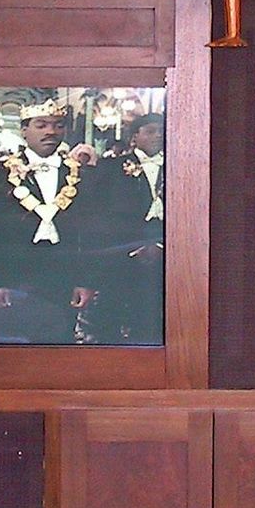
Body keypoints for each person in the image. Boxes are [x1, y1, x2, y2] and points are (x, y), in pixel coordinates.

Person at [0, 97, 104, 343]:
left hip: (63, 275)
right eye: (41, 125)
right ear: (24, 130)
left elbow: (91, 232)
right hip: (12, 275)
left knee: (58, 344)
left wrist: (86, 281)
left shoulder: (82, 174)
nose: (51, 131)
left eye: (58, 125)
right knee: (11, 346)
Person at [93, 114, 166, 344]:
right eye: (151, 131)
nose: (158, 135)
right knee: (111, 317)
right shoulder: (112, 167)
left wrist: (159, 245)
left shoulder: (178, 166)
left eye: (161, 130)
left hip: (164, 255)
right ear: (135, 136)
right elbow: (101, 212)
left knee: (152, 318)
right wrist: (133, 246)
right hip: (121, 254)